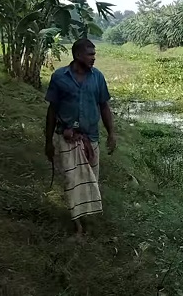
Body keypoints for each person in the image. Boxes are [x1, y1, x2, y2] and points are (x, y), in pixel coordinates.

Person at [44, 38, 116, 237]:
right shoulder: (59, 77)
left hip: (90, 138)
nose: (94, 58)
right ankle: (77, 224)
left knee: (90, 179)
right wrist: (48, 141)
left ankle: (84, 215)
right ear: (77, 55)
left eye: (94, 54)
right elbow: (52, 110)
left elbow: (104, 106)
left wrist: (111, 134)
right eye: (90, 54)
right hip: (66, 138)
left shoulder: (97, 77)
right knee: (72, 181)